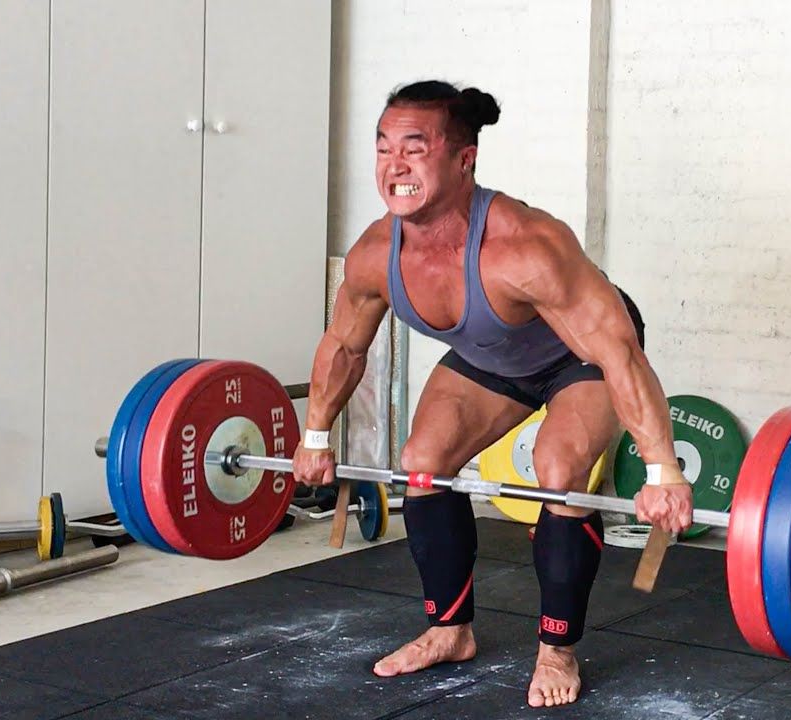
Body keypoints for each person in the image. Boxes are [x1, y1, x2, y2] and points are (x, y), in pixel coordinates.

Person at [293, 80, 693, 708]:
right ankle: (450, 631)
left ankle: (557, 647)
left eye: (415, 148)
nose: (395, 165)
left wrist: (663, 469)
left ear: (463, 159)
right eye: (384, 148)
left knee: (557, 470)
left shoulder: (525, 246)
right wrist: (314, 436)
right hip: (493, 357)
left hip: (581, 356)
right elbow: (344, 345)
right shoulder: (375, 254)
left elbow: (617, 351)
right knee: (422, 465)